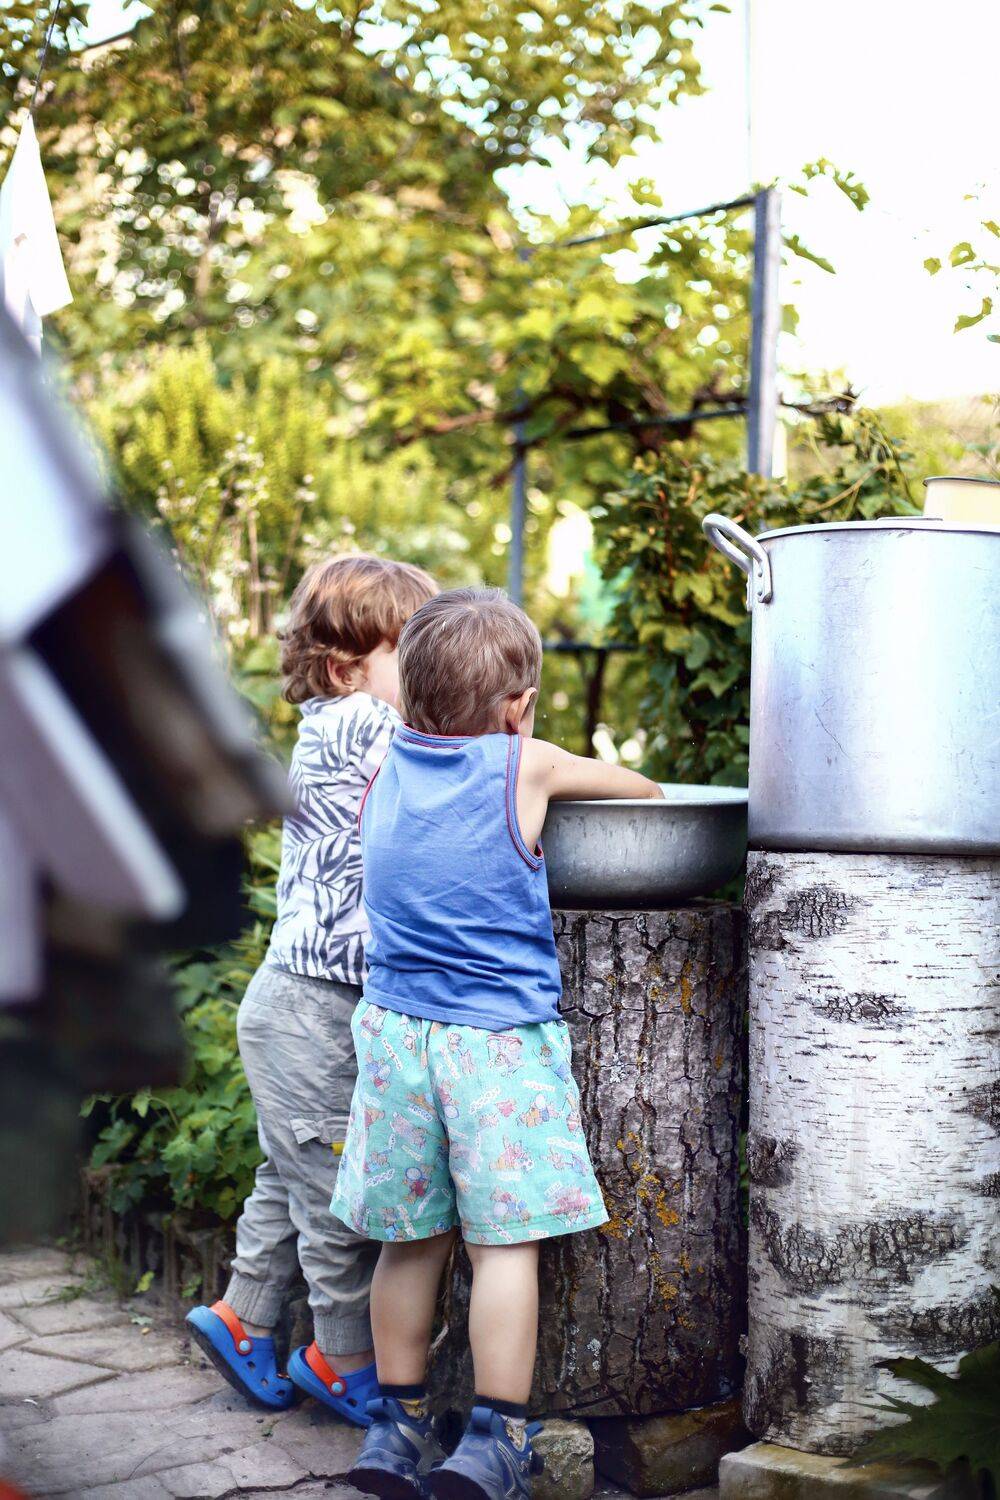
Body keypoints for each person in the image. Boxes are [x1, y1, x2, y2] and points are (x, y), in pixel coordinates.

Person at [332, 588, 663, 1499]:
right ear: (519, 707)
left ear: (408, 694)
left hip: (396, 1037)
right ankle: (498, 1440)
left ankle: (395, 1428)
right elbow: (646, 795)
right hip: (495, 1048)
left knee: (410, 1242)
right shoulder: (527, 764)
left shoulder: (385, 763)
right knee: (502, 1247)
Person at [187, 554, 437, 1421]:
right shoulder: (365, 724)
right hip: (312, 1011)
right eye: (413, 654)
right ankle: (342, 1358)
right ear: (345, 668)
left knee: (290, 1170)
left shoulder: (336, 723)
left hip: (297, 1007)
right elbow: (460, 764)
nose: (429, 673)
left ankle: (242, 1315)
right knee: (335, 1197)